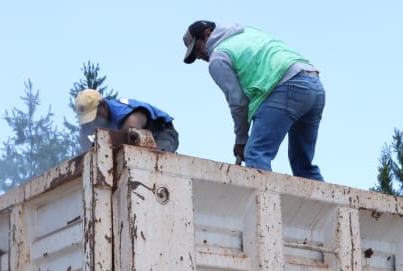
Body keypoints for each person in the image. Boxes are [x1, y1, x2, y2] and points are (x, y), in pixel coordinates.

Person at [182, 20, 325, 180]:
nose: (199, 57)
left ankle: (266, 205)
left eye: (196, 49)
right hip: (314, 85)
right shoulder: (245, 32)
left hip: (286, 86)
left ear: (208, 34)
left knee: (256, 153)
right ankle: (325, 205)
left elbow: (238, 102)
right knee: (302, 164)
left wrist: (242, 140)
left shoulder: (218, 58)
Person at [74, 89, 180, 153]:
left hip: (163, 132)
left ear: (102, 106)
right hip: (136, 140)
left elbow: (131, 139)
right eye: (88, 121)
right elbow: (86, 149)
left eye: (94, 117)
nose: (92, 123)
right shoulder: (89, 125)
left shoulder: (127, 115)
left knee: (157, 158)